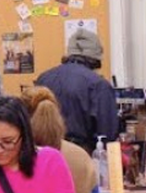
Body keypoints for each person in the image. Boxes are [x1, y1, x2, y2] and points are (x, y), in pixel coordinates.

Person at [33, 26, 119, 154]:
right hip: (81, 155)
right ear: (96, 59)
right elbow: (108, 133)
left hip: (42, 154)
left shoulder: (43, 78)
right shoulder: (98, 85)